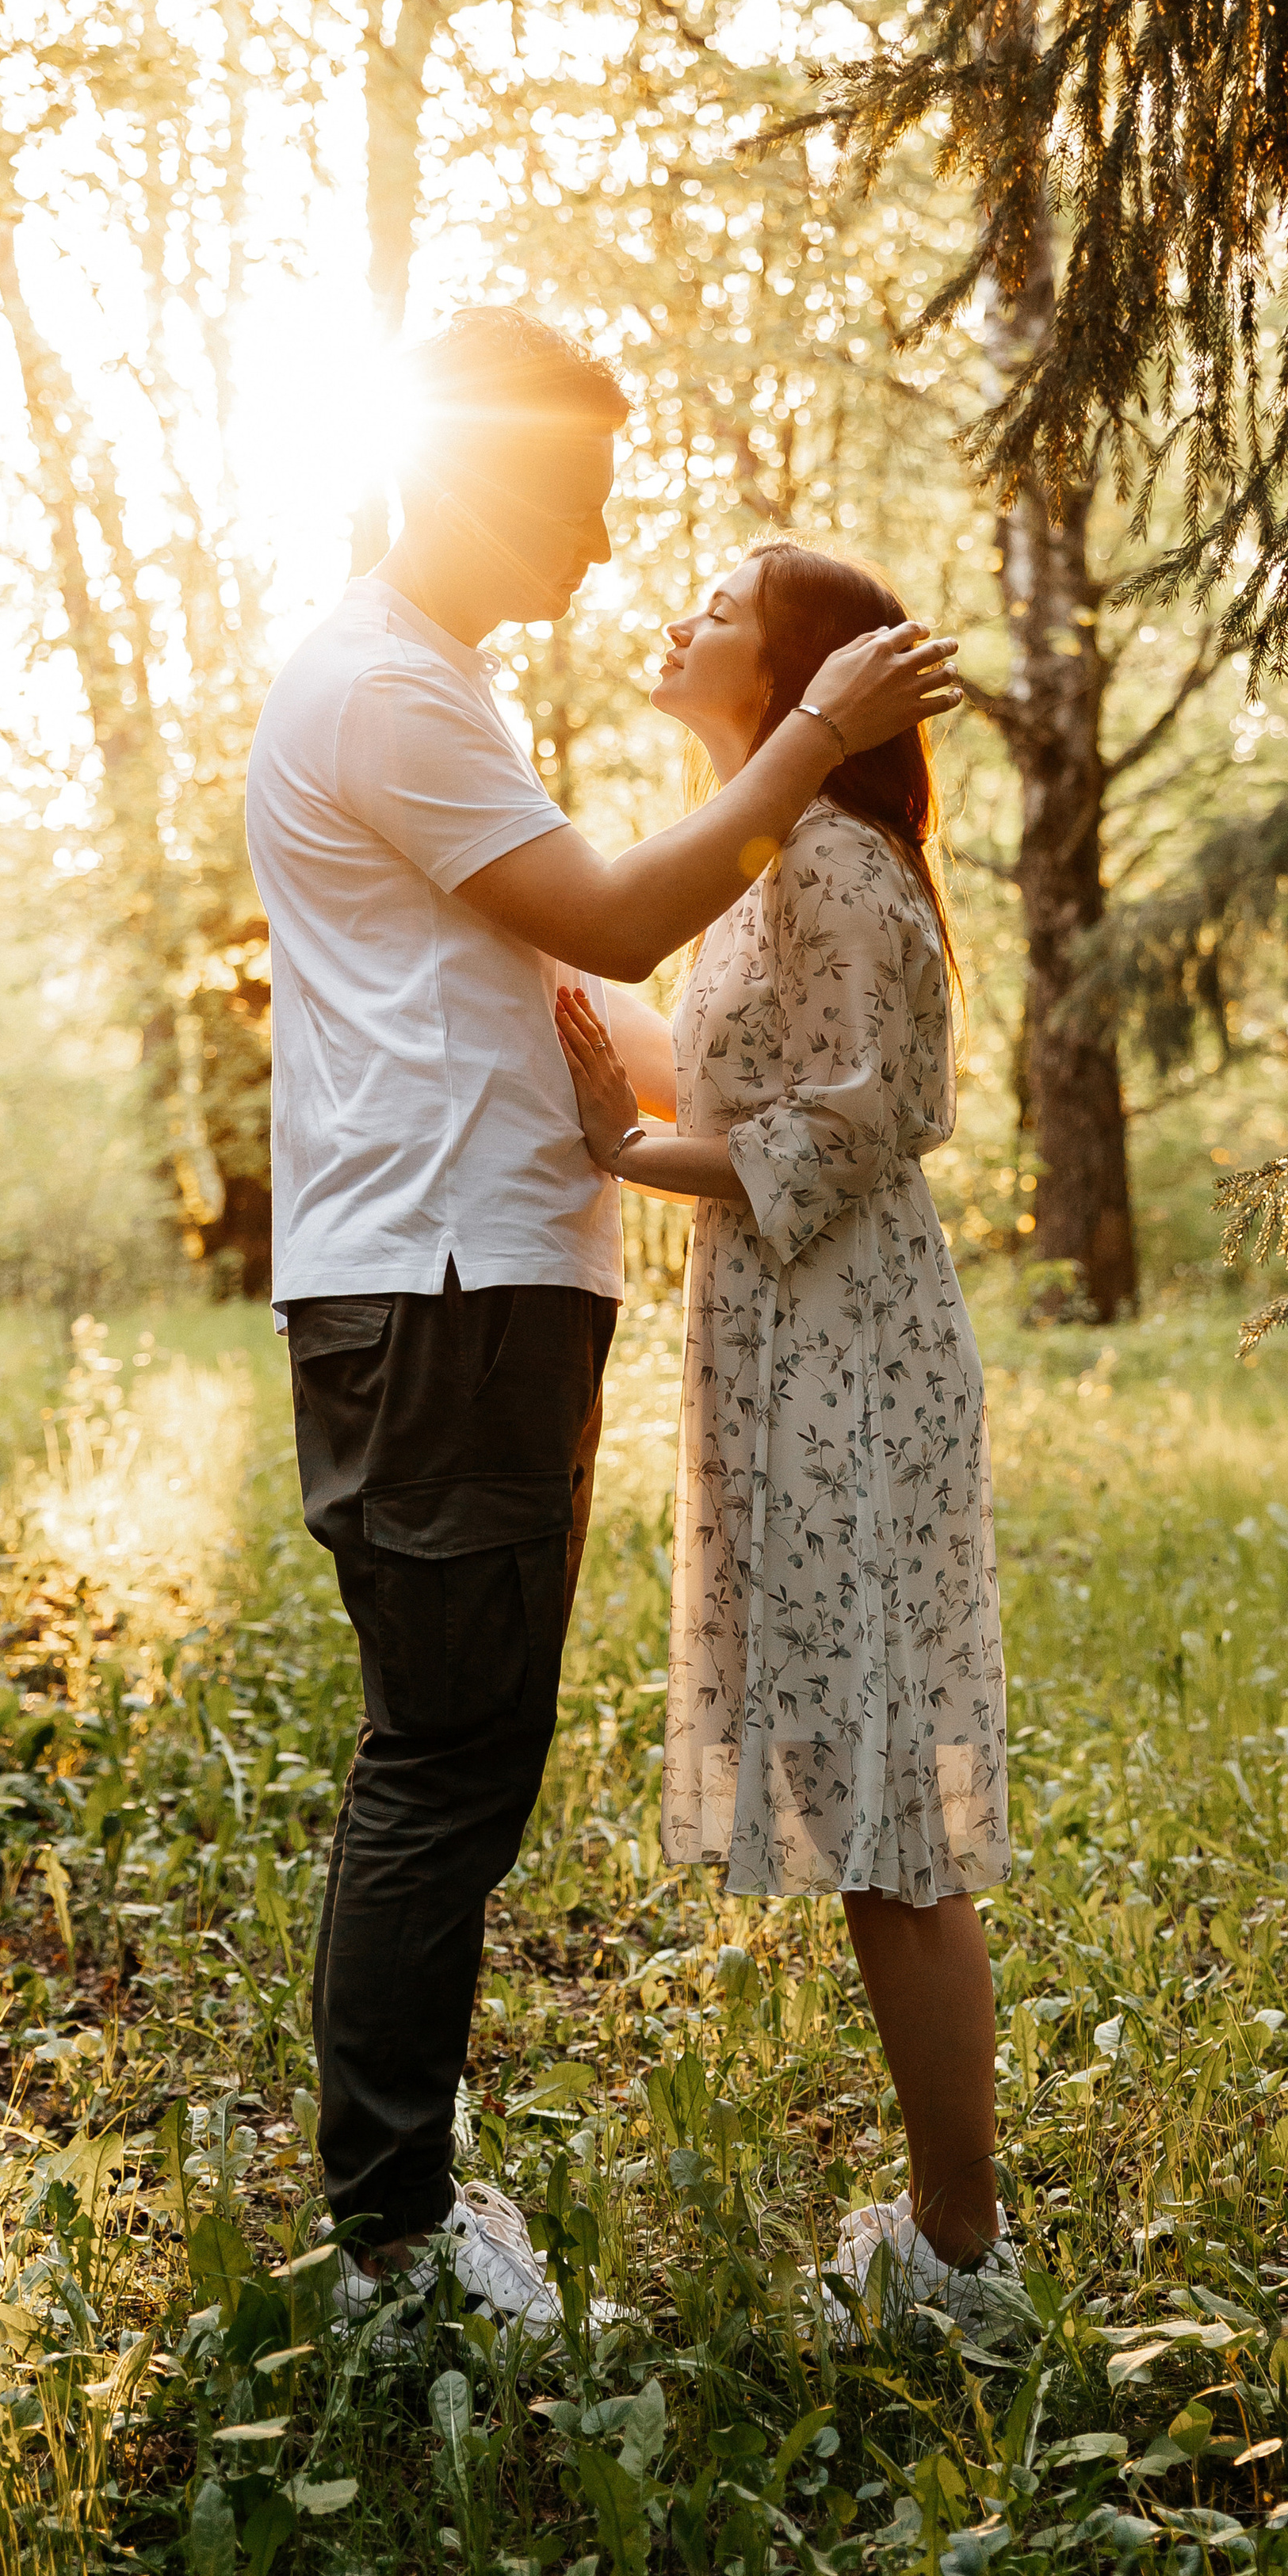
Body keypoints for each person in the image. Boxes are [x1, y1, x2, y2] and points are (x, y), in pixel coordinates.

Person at [243, 309, 959, 2330]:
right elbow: (624, 925)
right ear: (471, 476)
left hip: (479, 1275)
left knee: (461, 1750)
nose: (596, 533)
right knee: (445, 1764)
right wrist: (810, 728)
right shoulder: (391, 687)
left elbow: (633, 1008)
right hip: (442, 1283)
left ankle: (403, 2209)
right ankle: (392, 2249)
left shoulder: (434, 689)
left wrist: (660, 1119)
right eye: (573, 492)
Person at [553, 537, 1017, 2333]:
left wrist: (622, 1155)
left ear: (798, 673)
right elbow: (736, 1073)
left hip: (848, 1354)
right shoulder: (755, 867)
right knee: (856, 1778)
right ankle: (950, 2237)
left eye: (720, 609)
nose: (679, 619)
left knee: (885, 1800)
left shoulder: (830, 860)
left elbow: (854, 1124)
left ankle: (962, 2263)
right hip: (778, 1344)